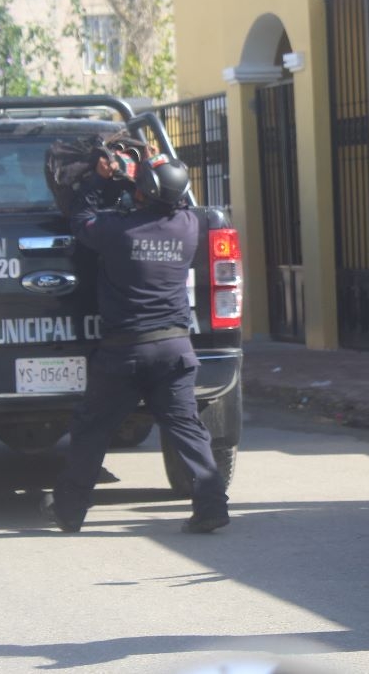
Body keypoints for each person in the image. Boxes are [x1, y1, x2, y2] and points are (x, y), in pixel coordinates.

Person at [42, 152, 230, 534]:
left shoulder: (117, 230)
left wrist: (101, 179)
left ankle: (69, 511)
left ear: (144, 191)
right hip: (174, 350)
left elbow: (80, 217)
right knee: (188, 430)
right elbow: (169, 199)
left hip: (123, 353)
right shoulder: (189, 226)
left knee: (93, 430)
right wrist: (139, 177)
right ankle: (212, 506)